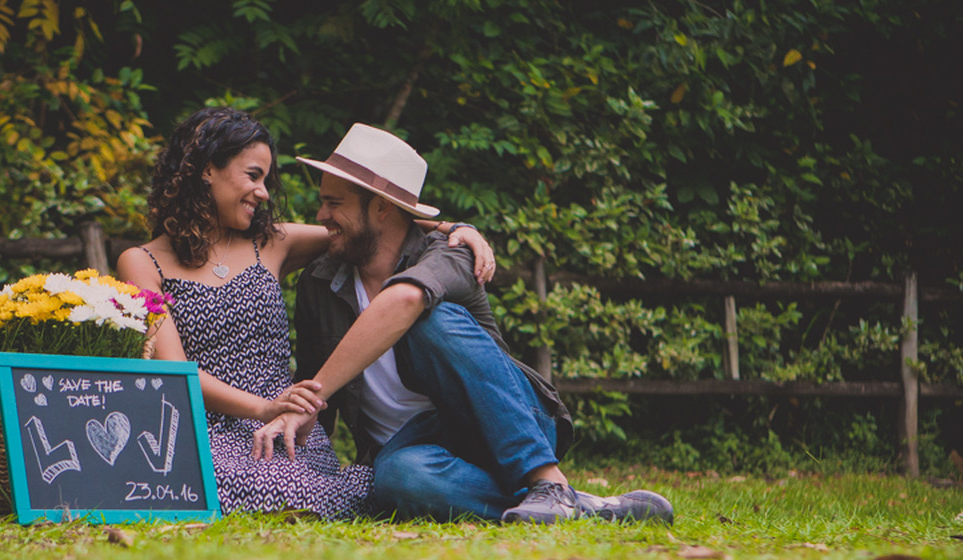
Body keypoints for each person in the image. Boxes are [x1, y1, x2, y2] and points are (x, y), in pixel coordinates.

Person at [252, 123, 673, 525]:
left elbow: (403, 300)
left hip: (503, 426)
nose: (321, 214)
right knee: (397, 477)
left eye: (335, 203)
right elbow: (312, 389)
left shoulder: (452, 253)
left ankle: (547, 480)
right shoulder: (321, 283)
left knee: (426, 319)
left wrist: (312, 397)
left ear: (381, 207)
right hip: (410, 455)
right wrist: (303, 459)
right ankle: (573, 504)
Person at [116, 108, 496, 519]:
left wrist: (459, 229)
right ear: (208, 170)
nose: (263, 192)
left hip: (288, 426)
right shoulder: (141, 262)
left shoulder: (272, 243)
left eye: (266, 180)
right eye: (253, 175)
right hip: (207, 427)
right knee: (238, 487)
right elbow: (175, 370)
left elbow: (373, 224)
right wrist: (263, 408)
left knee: (356, 485)